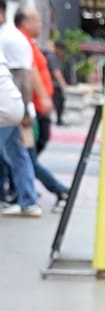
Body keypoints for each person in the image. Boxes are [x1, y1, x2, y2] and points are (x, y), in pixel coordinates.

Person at [15, 7, 68, 212]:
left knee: (25, 154)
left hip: (31, 109)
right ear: (24, 22)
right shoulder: (22, 42)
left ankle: (23, 188)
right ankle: (55, 190)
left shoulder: (30, 43)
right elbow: (30, 72)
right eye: (35, 21)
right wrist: (43, 99)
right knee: (25, 155)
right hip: (28, 109)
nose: (40, 24)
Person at [0, 3, 40, 217]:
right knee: (18, 154)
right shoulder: (10, 37)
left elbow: (24, 77)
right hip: (11, 109)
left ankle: (30, 199)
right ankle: (28, 199)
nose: (39, 24)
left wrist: (24, 111)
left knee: (18, 155)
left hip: (9, 110)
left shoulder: (11, 39)